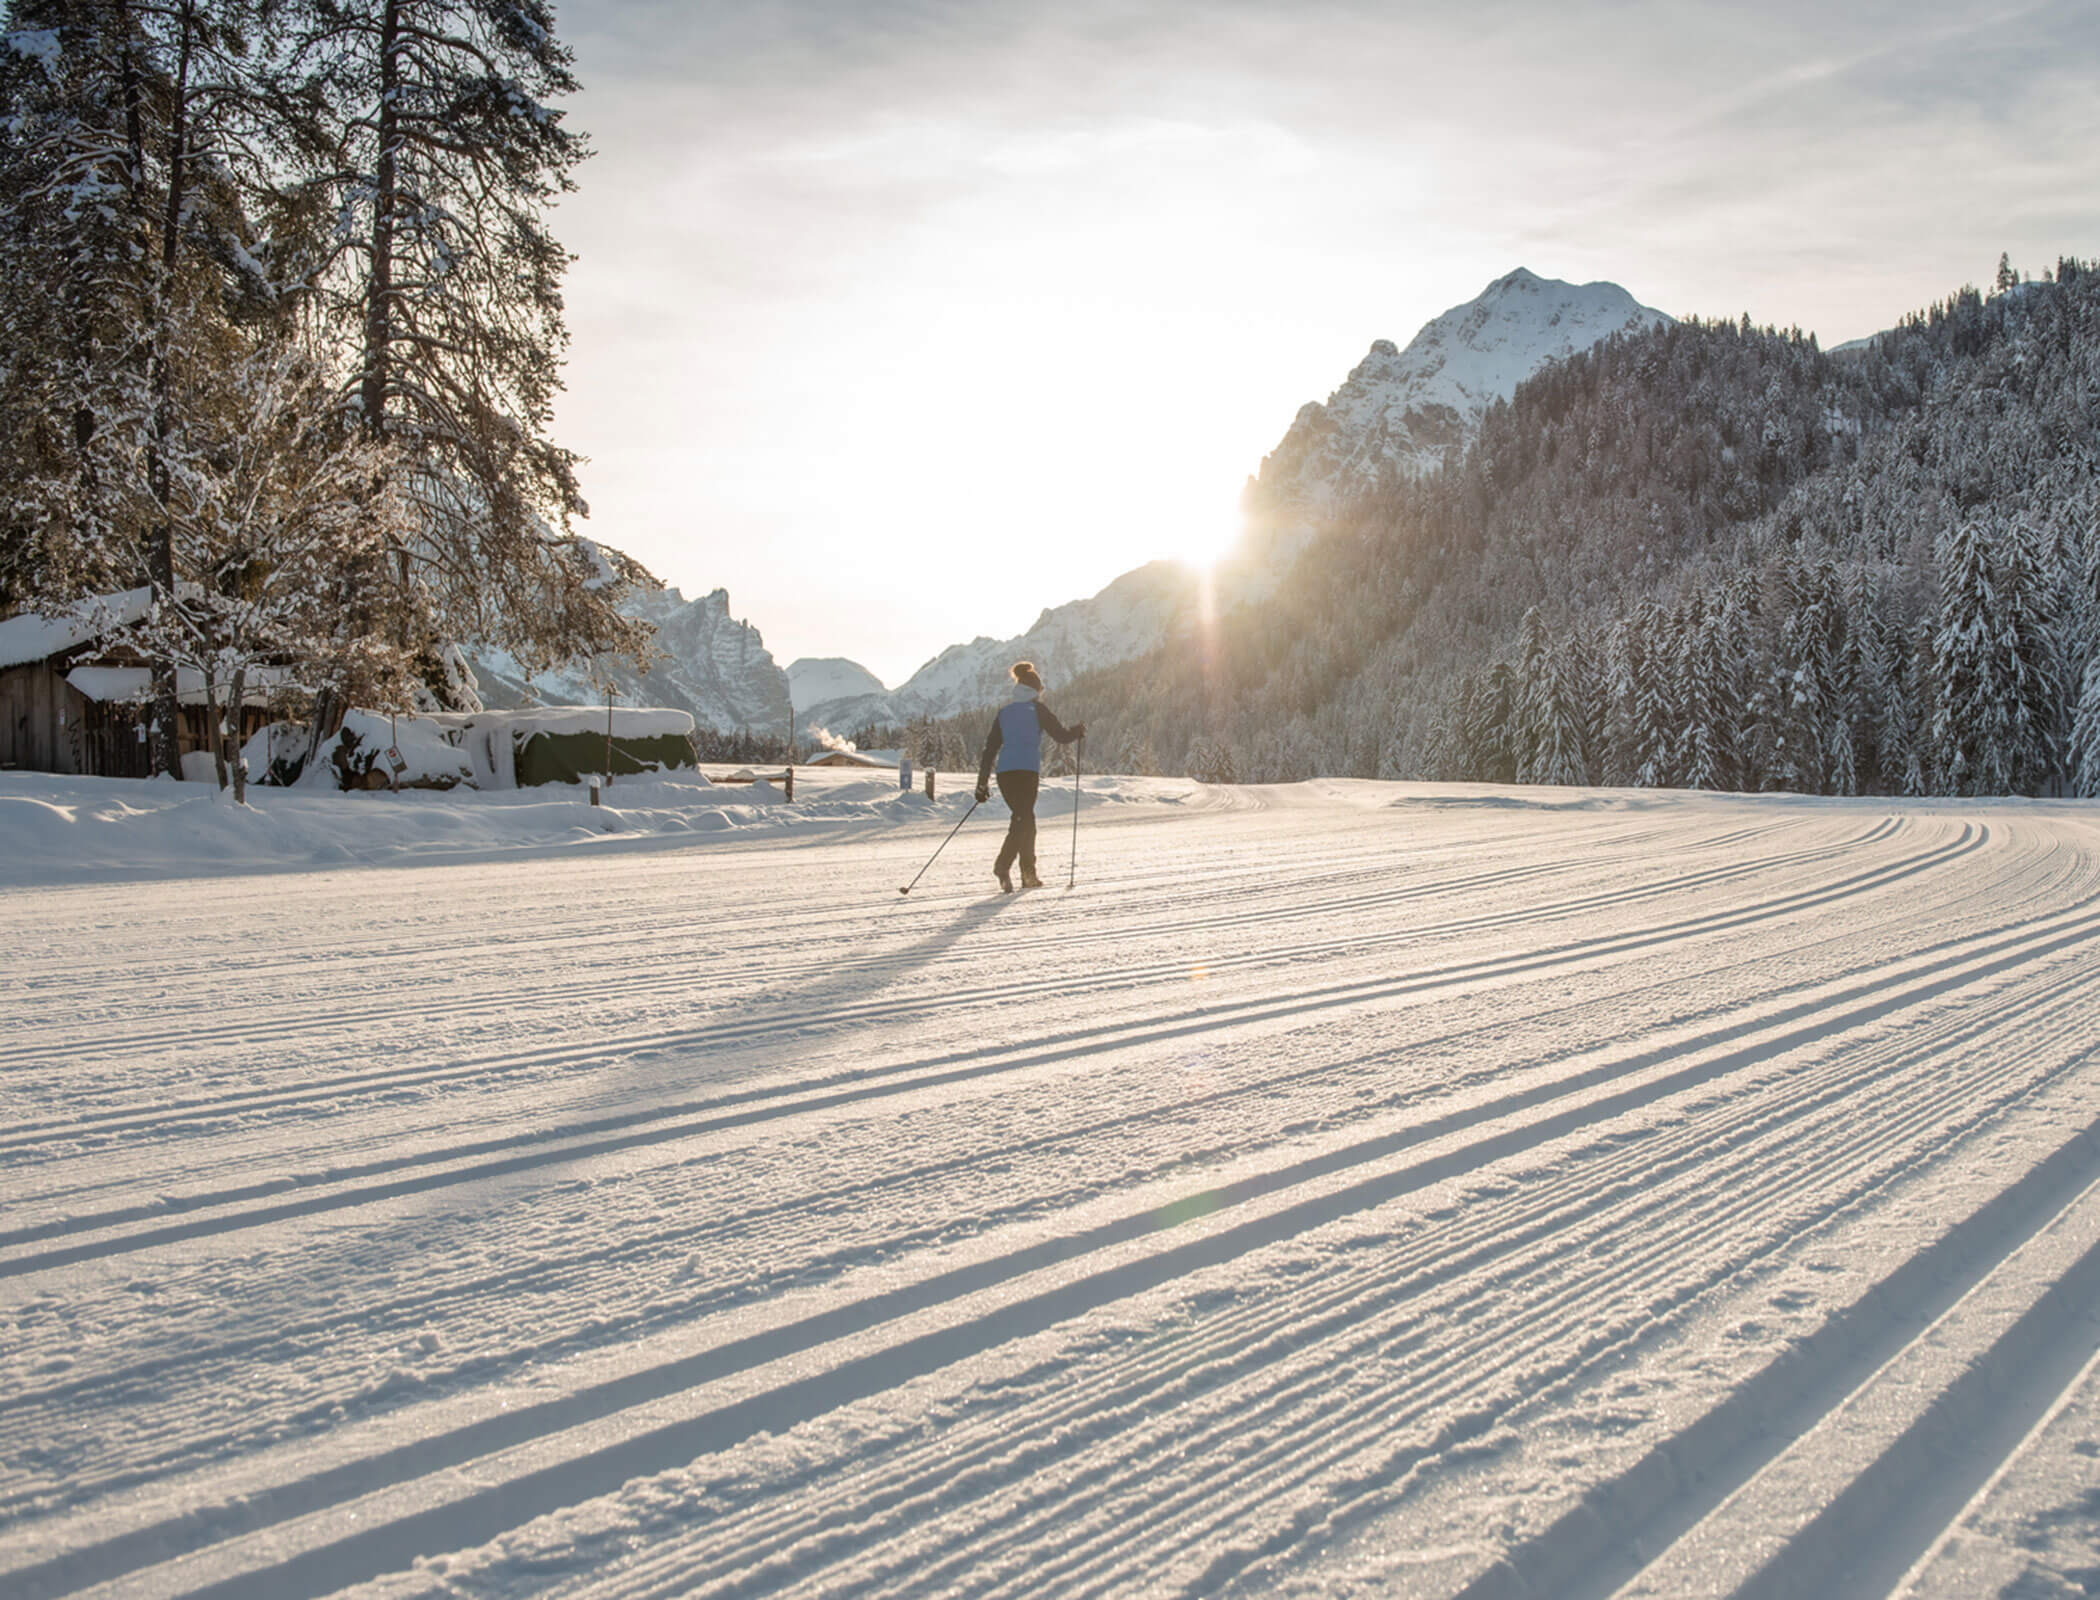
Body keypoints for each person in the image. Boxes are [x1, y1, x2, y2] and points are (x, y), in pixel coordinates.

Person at [975, 661, 1084, 892]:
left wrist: (982, 783)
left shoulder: (1004, 713)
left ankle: (1028, 875)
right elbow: (1061, 736)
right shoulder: (1038, 710)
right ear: (1035, 690)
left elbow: (990, 749)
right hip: (1027, 773)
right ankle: (1004, 866)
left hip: (1005, 774)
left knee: (1025, 820)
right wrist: (1077, 731)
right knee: (1023, 820)